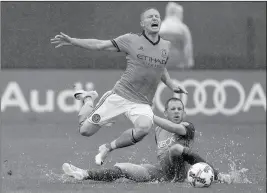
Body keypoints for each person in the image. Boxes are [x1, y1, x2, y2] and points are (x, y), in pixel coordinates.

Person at [50, 6, 192, 166]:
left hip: (142, 102)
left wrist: (171, 85)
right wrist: (73, 41)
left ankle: (107, 148)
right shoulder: (130, 40)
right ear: (142, 24)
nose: (154, 19)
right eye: (150, 16)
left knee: (143, 128)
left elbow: (161, 68)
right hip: (120, 95)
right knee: (85, 131)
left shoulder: (166, 45)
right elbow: (99, 45)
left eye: (157, 16)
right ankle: (88, 98)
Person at [62, 98, 241, 184]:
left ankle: (218, 176)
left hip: (179, 176)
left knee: (175, 149)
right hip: (162, 174)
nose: (177, 111)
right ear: (166, 112)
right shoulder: (158, 129)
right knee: (123, 168)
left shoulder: (187, 126)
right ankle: (84, 174)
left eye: (180, 109)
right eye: (173, 109)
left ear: (184, 113)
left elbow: (174, 129)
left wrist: (148, 114)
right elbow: (136, 135)